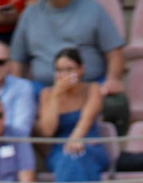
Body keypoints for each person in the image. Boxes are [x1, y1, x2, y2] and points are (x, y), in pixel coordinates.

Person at [9, 0, 127, 137]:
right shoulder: (29, 15)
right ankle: (52, 153)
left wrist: (112, 79)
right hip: (43, 87)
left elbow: (114, 51)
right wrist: (14, 89)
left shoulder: (93, 10)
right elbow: (17, 59)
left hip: (87, 84)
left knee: (114, 102)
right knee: (20, 106)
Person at [35, 47, 111, 182]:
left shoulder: (92, 89)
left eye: (70, 69)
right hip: (59, 151)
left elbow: (87, 119)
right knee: (69, 158)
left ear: (81, 69)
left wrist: (76, 137)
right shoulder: (47, 94)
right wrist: (56, 95)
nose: (64, 75)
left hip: (89, 144)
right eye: (59, 70)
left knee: (77, 155)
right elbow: (47, 131)